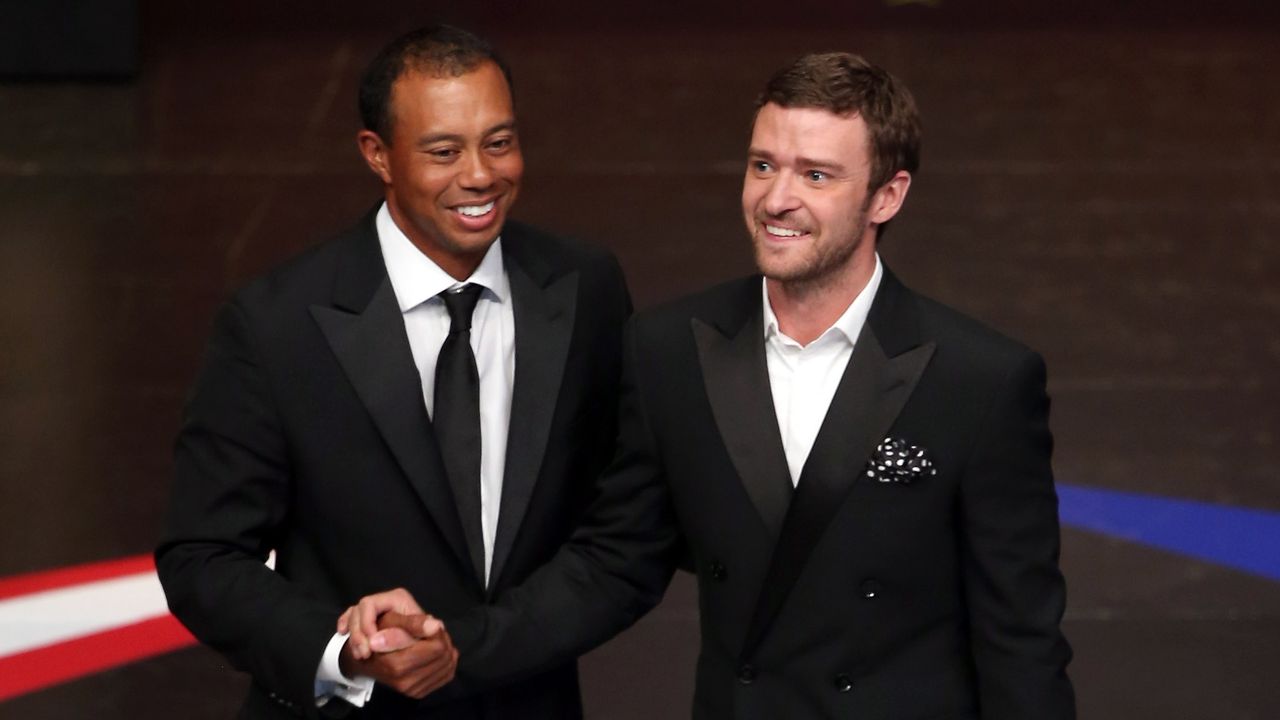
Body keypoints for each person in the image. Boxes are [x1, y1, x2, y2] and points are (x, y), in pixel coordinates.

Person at [348, 52, 1076, 719]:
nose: (776, 200)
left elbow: (1021, 641)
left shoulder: (979, 379)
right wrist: (459, 645)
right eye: (764, 166)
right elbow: (615, 564)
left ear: (888, 196)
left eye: (816, 175)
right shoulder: (670, 351)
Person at [155, 24, 641, 719]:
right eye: (444, 151)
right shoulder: (276, 324)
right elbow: (201, 557)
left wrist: (468, 649)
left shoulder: (585, 289)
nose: (480, 175)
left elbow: (622, 531)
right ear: (377, 154)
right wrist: (344, 651)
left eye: (499, 142)